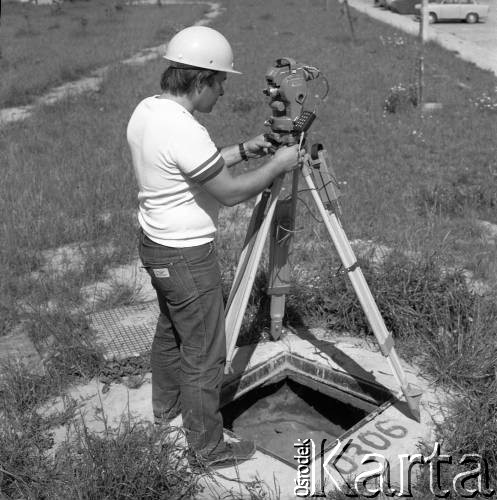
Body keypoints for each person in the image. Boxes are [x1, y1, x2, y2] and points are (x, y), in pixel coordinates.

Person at [126, 25, 301, 468]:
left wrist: (245, 149)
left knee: (172, 331)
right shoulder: (185, 129)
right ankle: (207, 447)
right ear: (200, 80)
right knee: (205, 351)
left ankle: (166, 410)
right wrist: (280, 161)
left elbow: (191, 167)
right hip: (186, 256)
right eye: (220, 81)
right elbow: (229, 193)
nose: (223, 91)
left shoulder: (148, 111)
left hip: (156, 247)